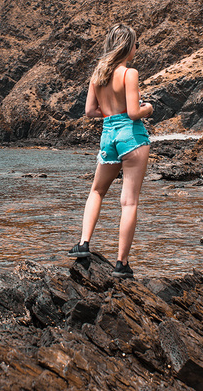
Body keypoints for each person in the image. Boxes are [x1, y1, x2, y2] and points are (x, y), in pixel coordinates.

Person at [68, 23, 154, 278]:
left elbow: (89, 112)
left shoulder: (97, 75)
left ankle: (83, 243)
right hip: (132, 137)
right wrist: (148, 107)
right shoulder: (129, 73)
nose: (137, 49)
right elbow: (133, 112)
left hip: (108, 136)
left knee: (96, 190)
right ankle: (121, 263)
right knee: (129, 202)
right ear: (127, 46)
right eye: (135, 44)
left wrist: (109, 113)